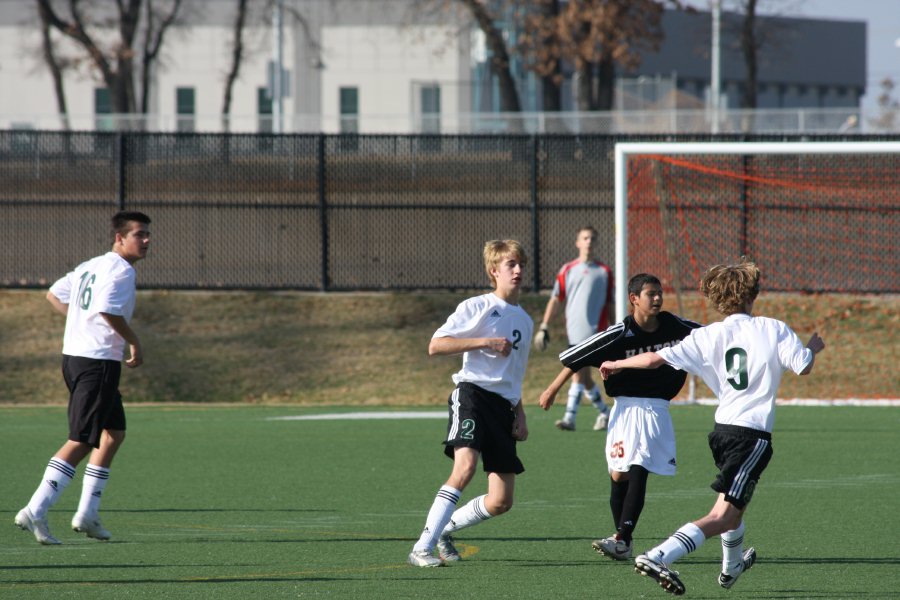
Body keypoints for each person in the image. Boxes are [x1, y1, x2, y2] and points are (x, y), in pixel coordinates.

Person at [600, 258, 825, 596]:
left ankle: (731, 567)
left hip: (722, 433)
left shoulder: (708, 334)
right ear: (752, 295)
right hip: (752, 436)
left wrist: (616, 363)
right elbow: (803, 366)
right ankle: (659, 555)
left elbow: (653, 359)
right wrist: (813, 347)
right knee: (721, 515)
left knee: (734, 507)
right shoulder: (773, 328)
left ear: (718, 299)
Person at [539, 273, 700, 561]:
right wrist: (552, 389)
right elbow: (576, 356)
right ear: (633, 299)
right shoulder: (618, 333)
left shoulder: (674, 326)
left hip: (654, 409)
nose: (658, 298)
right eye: (651, 293)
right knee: (618, 474)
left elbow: (711, 335)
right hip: (622, 409)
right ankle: (621, 539)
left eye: (660, 293)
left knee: (639, 464)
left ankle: (623, 539)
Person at [15, 211, 152, 545]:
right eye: (139, 234)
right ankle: (36, 509)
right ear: (119, 238)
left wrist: (80, 321)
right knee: (80, 439)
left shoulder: (92, 264)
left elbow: (54, 294)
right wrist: (133, 340)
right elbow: (107, 309)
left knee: (113, 434)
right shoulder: (120, 270)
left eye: (148, 235)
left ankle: (88, 513)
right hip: (96, 362)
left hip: (77, 358)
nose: (146, 241)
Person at [408, 239, 533, 567]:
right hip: (473, 396)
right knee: (464, 468)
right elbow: (436, 345)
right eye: (511, 265)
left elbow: (515, 373)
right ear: (494, 271)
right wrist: (485, 341)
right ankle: (423, 546)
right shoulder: (476, 307)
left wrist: (520, 413)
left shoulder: (525, 320)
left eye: (521, 264)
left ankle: (444, 531)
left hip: (504, 407)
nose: (518, 270)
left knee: (501, 501)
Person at [534, 225, 613, 432]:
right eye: (584, 238)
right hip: (574, 331)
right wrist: (544, 326)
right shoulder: (567, 270)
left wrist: (615, 331)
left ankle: (570, 418)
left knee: (577, 373)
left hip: (596, 332)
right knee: (584, 378)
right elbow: (555, 299)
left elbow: (610, 304)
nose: (588, 241)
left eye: (592, 238)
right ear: (577, 242)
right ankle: (606, 413)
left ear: (596, 243)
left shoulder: (605, 272)